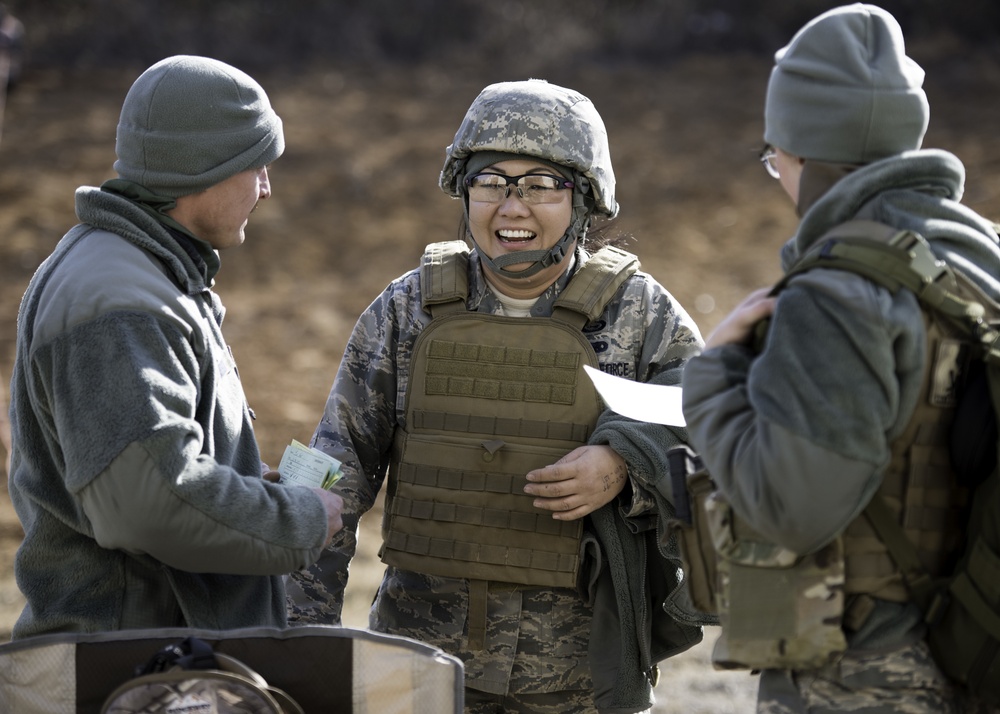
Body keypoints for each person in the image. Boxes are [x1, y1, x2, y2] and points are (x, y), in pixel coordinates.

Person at [287, 78, 709, 713]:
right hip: (422, 669)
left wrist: (623, 462)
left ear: (585, 199)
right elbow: (330, 478)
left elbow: (711, 431)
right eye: (491, 182)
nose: (512, 208)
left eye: (541, 185)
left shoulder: (641, 316)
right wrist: (301, 643)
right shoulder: (406, 312)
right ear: (464, 191)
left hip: (581, 679)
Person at [681, 4, 1000, 713]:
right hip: (972, 642)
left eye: (777, 160)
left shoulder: (838, 293)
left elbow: (795, 507)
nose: (779, 178)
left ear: (809, 158)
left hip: (867, 671)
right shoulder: (977, 256)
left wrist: (711, 378)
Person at [7, 55, 343, 641]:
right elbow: (151, 504)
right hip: (134, 674)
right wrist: (303, 519)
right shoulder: (119, 298)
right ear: (202, 167)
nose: (265, 189)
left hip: (157, 665)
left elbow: (156, 465)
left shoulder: (139, 273)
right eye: (255, 165)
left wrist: (242, 486)